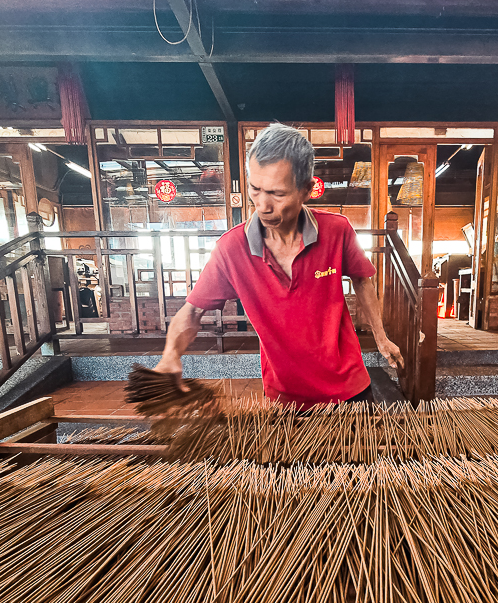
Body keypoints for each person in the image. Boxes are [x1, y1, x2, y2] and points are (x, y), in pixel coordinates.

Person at [154, 123, 403, 408]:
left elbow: (362, 280)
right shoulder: (231, 249)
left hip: (349, 389)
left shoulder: (337, 231)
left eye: (277, 193)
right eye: (255, 189)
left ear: (306, 189)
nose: (262, 205)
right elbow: (194, 310)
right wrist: (170, 355)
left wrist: (381, 338)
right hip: (286, 399)